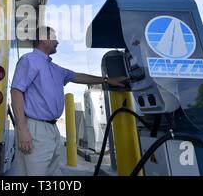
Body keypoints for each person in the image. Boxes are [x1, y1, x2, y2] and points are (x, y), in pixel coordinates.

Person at [11, 26, 127, 176]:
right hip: (35, 128)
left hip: (52, 130)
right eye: (54, 37)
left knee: (51, 173)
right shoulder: (29, 60)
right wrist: (22, 130)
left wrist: (107, 80)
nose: (58, 41)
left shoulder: (55, 68)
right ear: (45, 39)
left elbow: (77, 76)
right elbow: (16, 91)